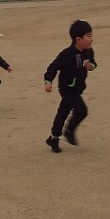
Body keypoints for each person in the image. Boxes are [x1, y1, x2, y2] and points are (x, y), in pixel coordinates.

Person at [43, 20, 97, 153]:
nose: (91, 39)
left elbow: (93, 63)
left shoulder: (88, 52)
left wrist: (91, 66)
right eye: (88, 36)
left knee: (63, 112)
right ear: (78, 39)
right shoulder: (67, 54)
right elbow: (53, 67)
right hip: (67, 88)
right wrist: (48, 81)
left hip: (78, 88)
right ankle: (69, 131)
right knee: (81, 110)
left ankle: (53, 138)